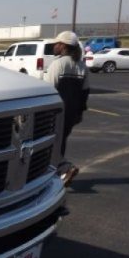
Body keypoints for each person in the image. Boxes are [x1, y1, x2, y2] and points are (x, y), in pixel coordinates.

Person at [45, 31, 89, 186]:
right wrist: (80, 113)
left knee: (48, 144)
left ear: (63, 46)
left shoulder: (58, 64)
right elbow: (85, 92)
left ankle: (65, 168)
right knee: (60, 142)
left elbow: (49, 90)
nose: (54, 46)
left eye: (56, 44)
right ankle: (58, 175)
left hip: (56, 113)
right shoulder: (82, 66)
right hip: (72, 112)